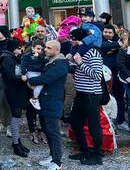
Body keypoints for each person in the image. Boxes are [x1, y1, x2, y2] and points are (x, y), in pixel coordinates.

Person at [27, 40, 69, 170]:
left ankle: (58, 162)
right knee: (47, 131)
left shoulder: (60, 64)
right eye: (45, 47)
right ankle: (52, 156)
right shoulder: (51, 61)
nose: (45, 49)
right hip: (45, 101)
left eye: (49, 48)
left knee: (54, 133)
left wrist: (30, 80)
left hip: (53, 102)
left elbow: (46, 78)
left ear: (57, 50)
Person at [68, 27, 104, 165]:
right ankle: (84, 151)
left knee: (94, 125)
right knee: (76, 122)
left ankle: (97, 155)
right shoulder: (79, 51)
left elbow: (96, 75)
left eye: (73, 39)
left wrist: (80, 63)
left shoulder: (93, 52)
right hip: (81, 92)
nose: (71, 42)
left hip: (92, 93)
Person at [0, 39, 31, 157]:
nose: (21, 50)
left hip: (16, 90)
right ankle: (16, 143)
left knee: (17, 116)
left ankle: (17, 141)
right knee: (15, 116)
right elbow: (11, 76)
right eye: (19, 48)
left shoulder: (11, 58)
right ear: (14, 49)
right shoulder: (7, 59)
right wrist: (23, 78)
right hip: (13, 91)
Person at [101, 24, 124, 126]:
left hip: (117, 76)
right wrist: (117, 45)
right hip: (103, 77)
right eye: (105, 32)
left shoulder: (119, 42)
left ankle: (120, 120)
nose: (107, 34)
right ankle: (106, 121)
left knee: (119, 99)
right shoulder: (99, 41)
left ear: (114, 33)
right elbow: (103, 46)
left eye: (110, 32)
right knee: (105, 99)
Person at [21, 40, 46, 110]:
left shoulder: (42, 56)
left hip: (39, 73)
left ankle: (35, 98)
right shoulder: (27, 55)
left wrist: (39, 57)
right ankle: (34, 99)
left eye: (41, 49)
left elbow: (45, 61)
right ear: (32, 48)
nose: (39, 51)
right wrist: (23, 74)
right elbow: (23, 65)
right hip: (31, 72)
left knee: (38, 86)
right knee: (39, 85)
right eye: (38, 48)